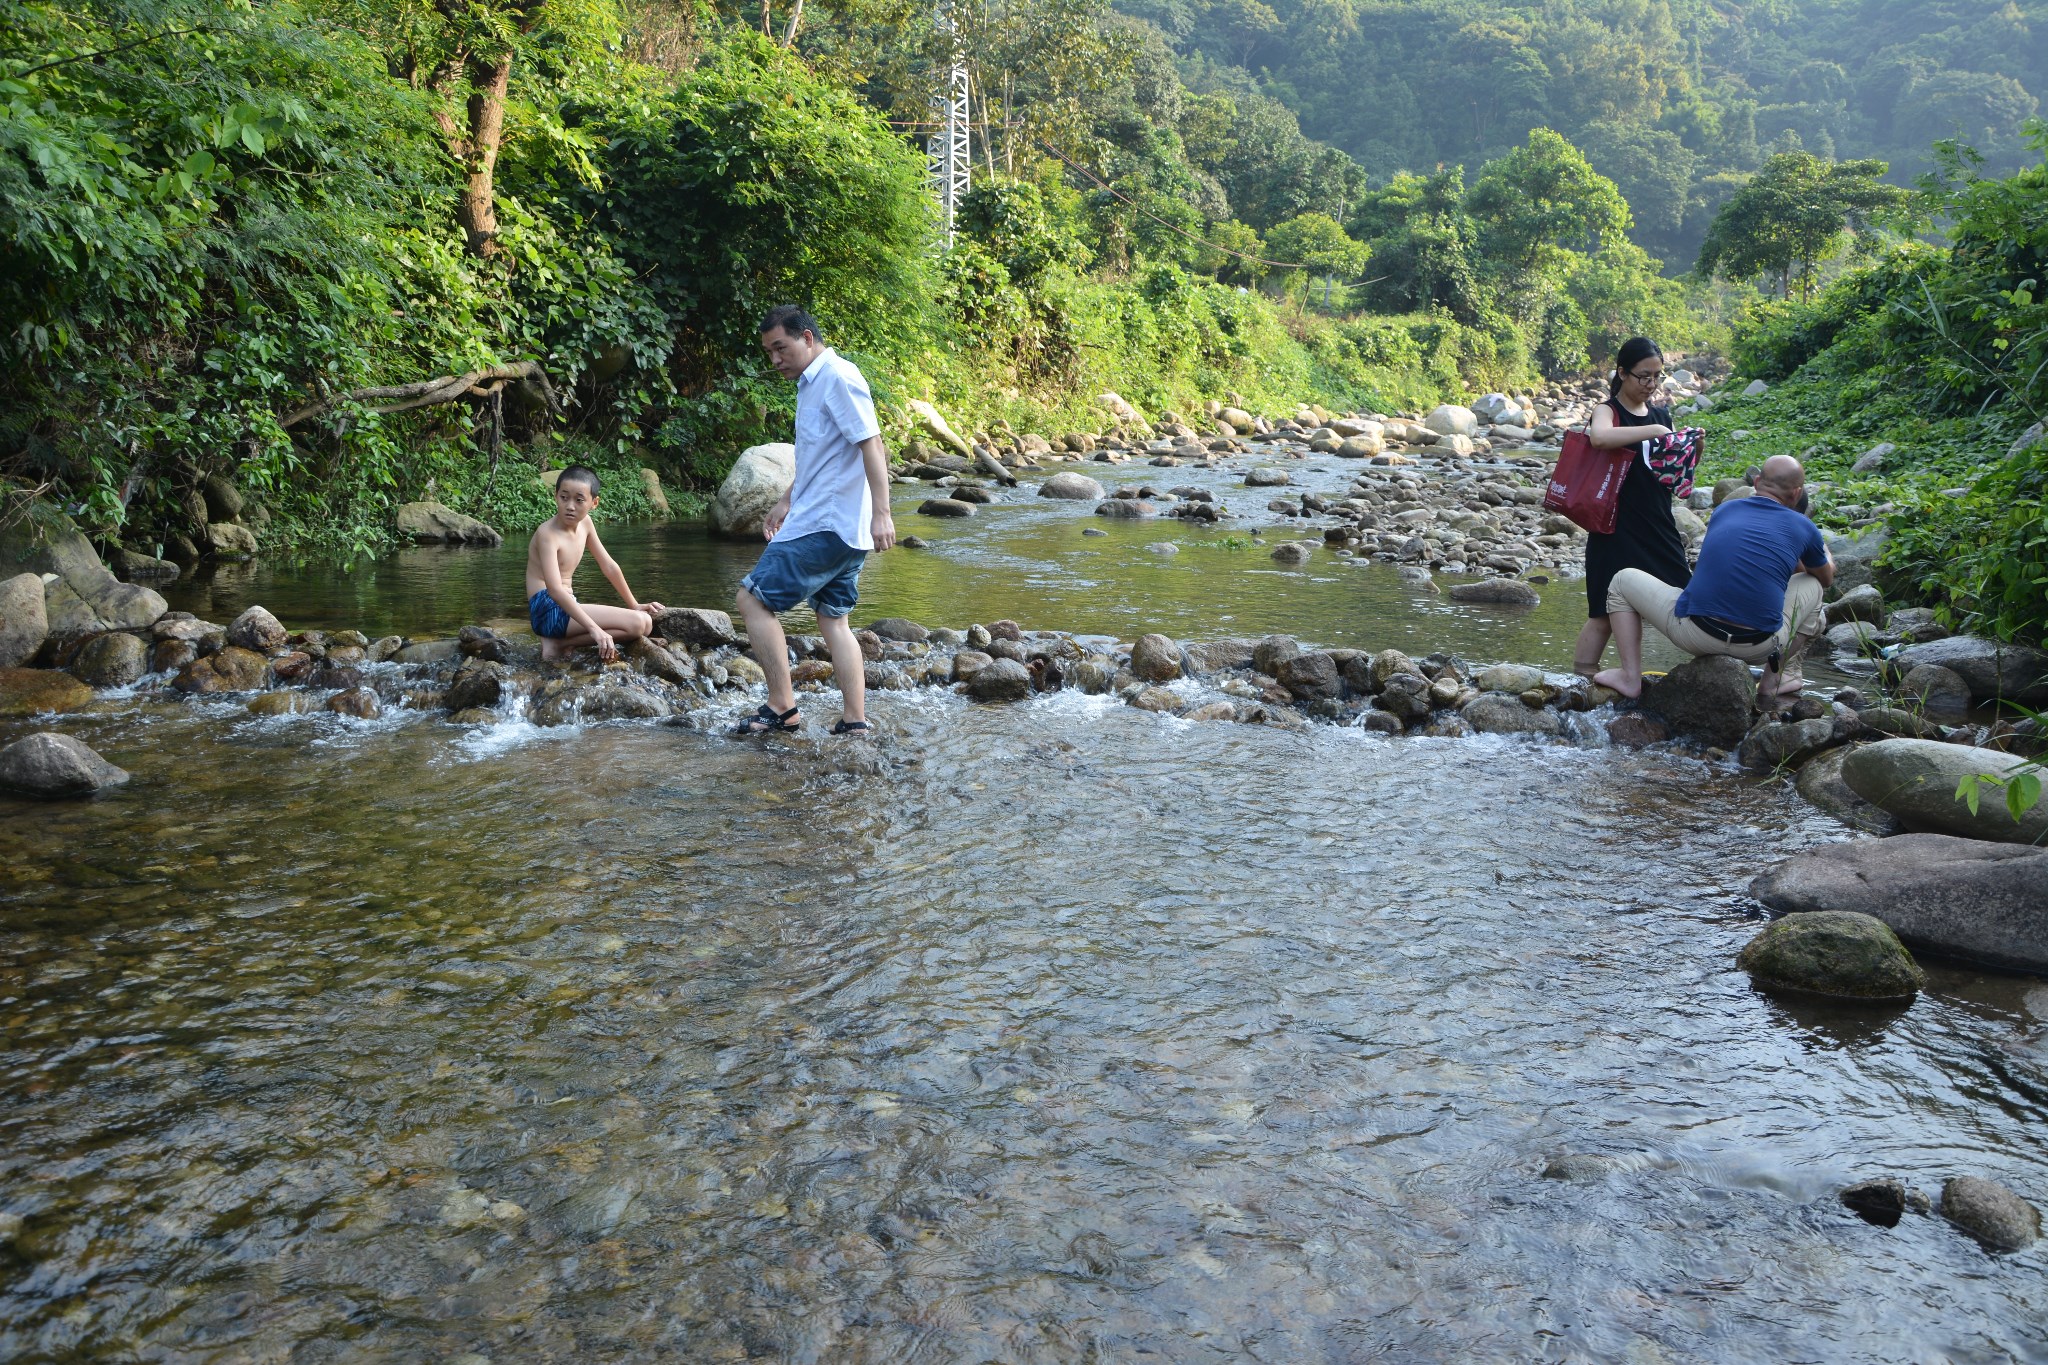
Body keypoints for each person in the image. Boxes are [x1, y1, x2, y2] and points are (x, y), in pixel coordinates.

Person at [733, 305, 896, 737]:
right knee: (833, 620)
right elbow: (819, 456)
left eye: (780, 348)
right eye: (769, 352)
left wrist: (883, 513)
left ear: (807, 338)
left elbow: (872, 445)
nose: (775, 360)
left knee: (752, 600)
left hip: (827, 523)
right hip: (840, 525)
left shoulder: (838, 377)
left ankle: (781, 707)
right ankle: (854, 720)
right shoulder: (810, 383)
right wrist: (786, 500)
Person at [1594, 454, 1831, 709]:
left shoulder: (1725, 510)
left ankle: (1630, 676)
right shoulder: (1804, 527)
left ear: (1758, 481)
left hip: (1695, 634)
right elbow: (1826, 578)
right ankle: (1772, 681)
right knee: (1813, 585)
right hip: (1759, 646)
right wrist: (1823, 551)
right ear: (1796, 494)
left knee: (1621, 580)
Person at [1574, 337, 1694, 678]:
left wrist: (1689, 448)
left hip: (1656, 521)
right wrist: (1653, 431)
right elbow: (1599, 438)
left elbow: (1673, 474)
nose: (1651, 384)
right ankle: (1582, 681)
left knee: (1685, 593)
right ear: (1622, 373)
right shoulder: (1608, 411)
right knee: (1602, 612)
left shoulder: (1661, 414)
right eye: (1643, 376)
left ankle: (1719, 659)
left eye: (1657, 376)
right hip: (1613, 525)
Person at [525, 464, 664, 661]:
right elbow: (554, 590)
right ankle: (557, 642)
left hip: (567, 604)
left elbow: (608, 566)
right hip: (547, 609)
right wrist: (594, 629)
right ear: (556, 495)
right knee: (640, 624)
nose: (570, 506)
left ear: (594, 502)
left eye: (579, 500)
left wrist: (633, 604)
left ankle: (560, 643)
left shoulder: (586, 524)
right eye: (564, 497)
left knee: (644, 623)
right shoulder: (547, 534)